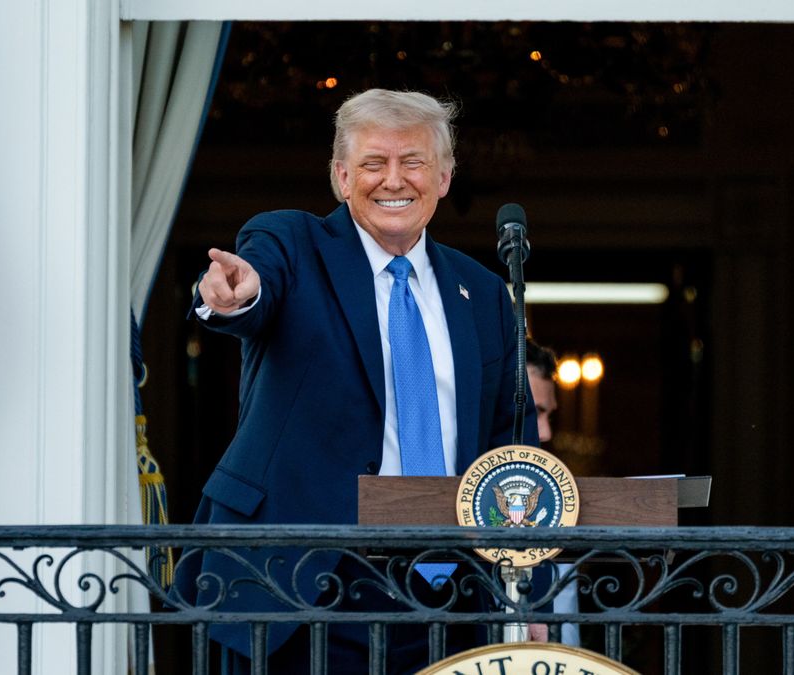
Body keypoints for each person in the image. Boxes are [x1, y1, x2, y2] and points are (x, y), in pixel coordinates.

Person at [174, 89, 537, 674]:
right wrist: (233, 295)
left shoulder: (485, 293)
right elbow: (254, 285)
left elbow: (510, 446)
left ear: (443, 177)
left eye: (413, 162)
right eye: (373, 164)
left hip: (447, 598)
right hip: (301, 584)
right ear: (342, 177)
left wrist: (527, 582)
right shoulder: (292, 243)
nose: (394, 180)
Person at [525, 339, 580, 647]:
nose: (545, 432)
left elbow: (565, 636)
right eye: (536, 413)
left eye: (549, 415)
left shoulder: (555, 502)